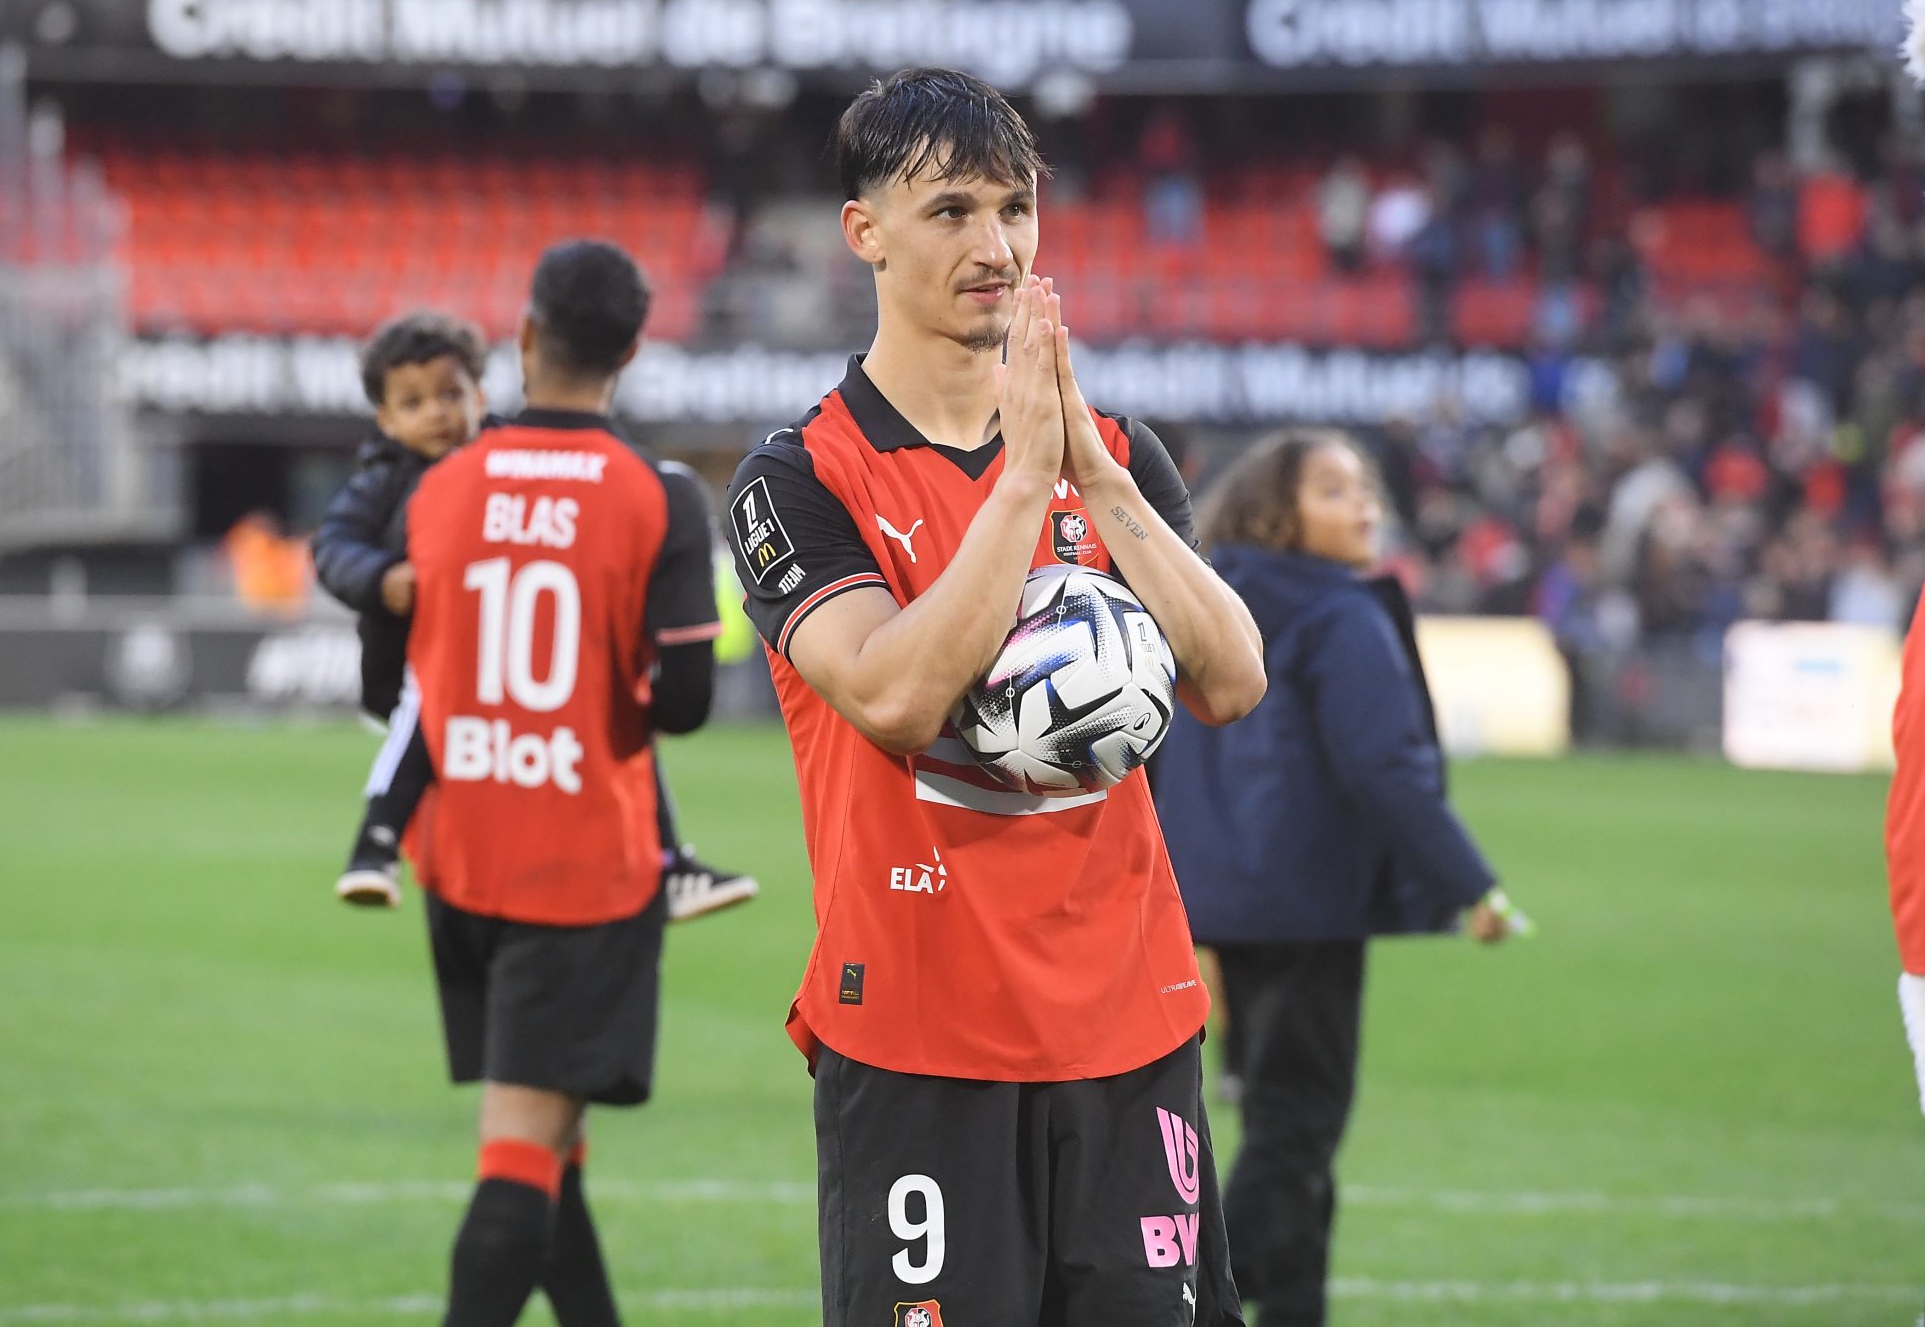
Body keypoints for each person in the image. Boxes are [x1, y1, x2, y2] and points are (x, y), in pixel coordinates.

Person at [726, 67, 1268, 1325]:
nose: (997, 245)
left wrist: (1094, 475)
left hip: (1130, 1028)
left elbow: (1233, 678)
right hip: (920, 1036)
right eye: (953, 211)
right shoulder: (797, 476)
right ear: (863, 232)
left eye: (1016, 209)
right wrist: (1024, 486)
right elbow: (894, 697)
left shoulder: (1118, 455)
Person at [400, 242, 728, 1327]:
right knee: (519, 1150)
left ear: (525, 337)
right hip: (577, 868)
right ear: (631, 351)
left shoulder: (441, 487)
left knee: (550, 1140)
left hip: (460, 855)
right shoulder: (656, 496)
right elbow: (683, 701)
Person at [1153, 431, 1519, 1327]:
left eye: (1365, 489)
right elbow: (1385, 766)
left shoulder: (1192, 595)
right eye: (1334, 489)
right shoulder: (1339, 610)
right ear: (1280, 510)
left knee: (1278, 1125)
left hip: (1204, 903)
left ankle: (1296, 1309)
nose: (1366, 506)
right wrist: (1471, 882)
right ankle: (1179, 1304)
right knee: (1296, 1126)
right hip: (1306, 903)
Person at [314, 306, 755, 921]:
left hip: (511, 658)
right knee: (426, 712)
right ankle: (374, 844)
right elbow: (331, 549)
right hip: (422, 658)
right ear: (385, 421)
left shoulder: (515, 456)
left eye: (449, 394)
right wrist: (380, 578)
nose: (437, 413)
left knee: (612, 717)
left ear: (481, 393)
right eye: (413, 404)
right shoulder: (381, 481)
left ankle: (669, 862)